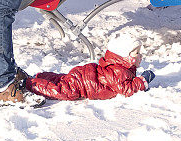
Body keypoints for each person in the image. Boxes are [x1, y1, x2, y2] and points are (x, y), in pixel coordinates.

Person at [25, 33, 155, 101]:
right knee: (62, 90)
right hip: (83, 85)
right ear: (123, 57)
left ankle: (40, 77)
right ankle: (31, 84)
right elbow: (127, 89)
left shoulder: (120, 68)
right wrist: (143, 81)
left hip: (85, 77)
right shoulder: (118, 71)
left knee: (62, 80)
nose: (140, 56)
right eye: (136, 53)